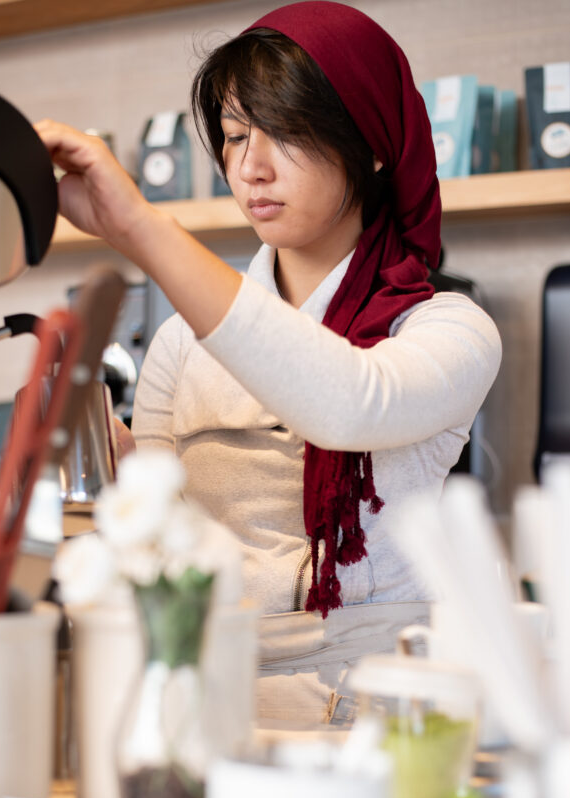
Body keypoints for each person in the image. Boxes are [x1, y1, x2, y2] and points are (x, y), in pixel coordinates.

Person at [36, 1, 501, 728]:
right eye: (233, 135)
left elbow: (348, 404)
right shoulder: (181, 343)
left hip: (376, 708)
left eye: (284, 133)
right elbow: (166, 545)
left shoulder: (446, 327)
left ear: (372, 144)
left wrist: (139, 227)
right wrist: (125, 479)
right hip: (208, 690)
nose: (249, 167)